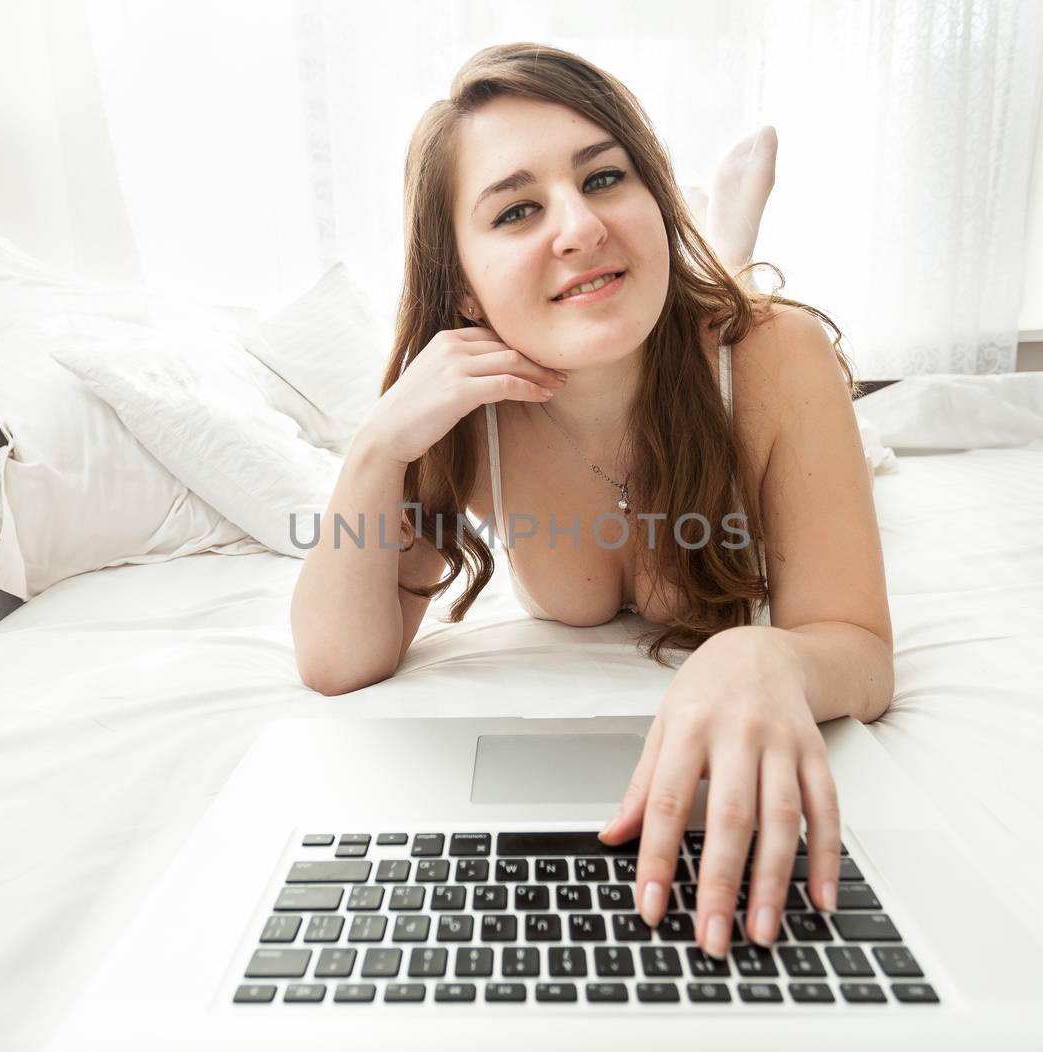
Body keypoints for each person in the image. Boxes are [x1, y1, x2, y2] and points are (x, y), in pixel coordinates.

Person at [290, 43, 893, 963]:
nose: (578, 226)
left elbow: (858, 648)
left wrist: (764, 654)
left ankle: (728, 239)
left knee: (728, 302)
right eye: (518, 209)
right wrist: (377, 444)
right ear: (460, 282)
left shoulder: (776, 360)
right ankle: (723, 236)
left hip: (711, 357)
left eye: (605, 177)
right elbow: (337, 661)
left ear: (651, 201)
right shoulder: (462, 410)